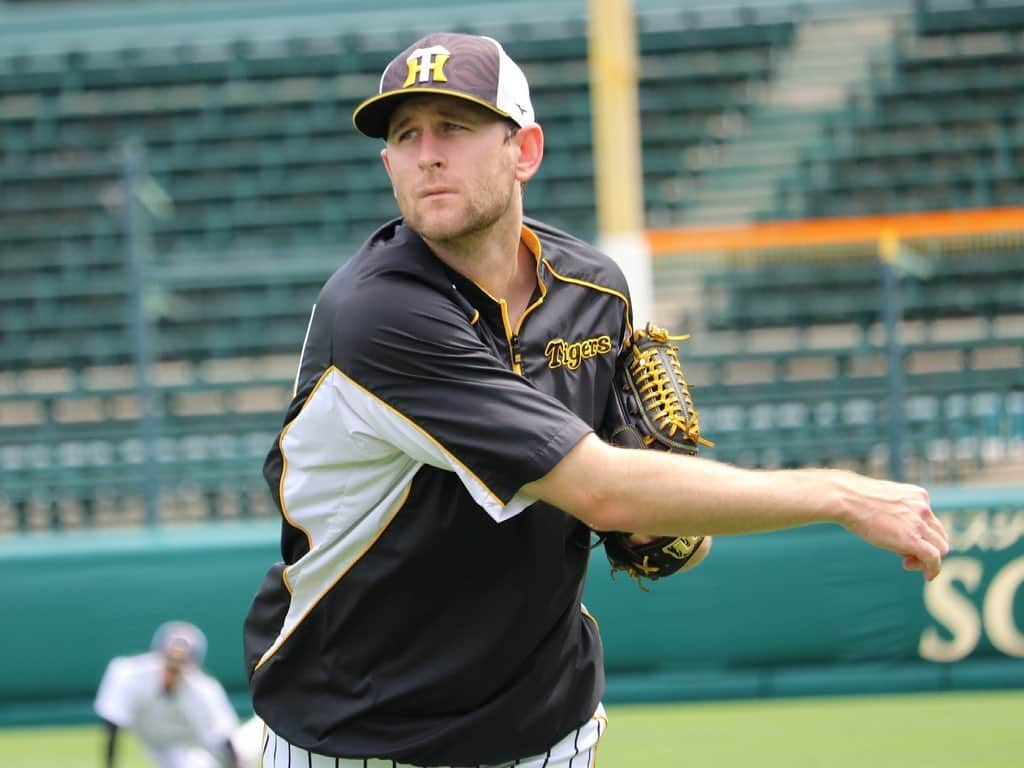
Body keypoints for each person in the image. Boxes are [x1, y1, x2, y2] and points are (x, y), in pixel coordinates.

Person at [242, 32, 949, 768]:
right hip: (359, 733)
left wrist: (669, 523)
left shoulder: (594, 288)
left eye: (452, 126)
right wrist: (841, 494)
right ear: (387, 163)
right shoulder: (378, 316)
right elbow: (601, 490)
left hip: (546, 724)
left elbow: (640, 514)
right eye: (405, 134)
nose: (427, 154)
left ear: (526, 151)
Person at [95, 621, 261, 768]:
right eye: (170, 658)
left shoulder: (203, 690)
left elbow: (224, 741)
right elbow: (113, 724)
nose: (173, 667)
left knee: (243, 747)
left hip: (196, 743)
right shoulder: (127, 674)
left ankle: (263, 724)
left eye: (180, 661)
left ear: (192, 664)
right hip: (157, 742)